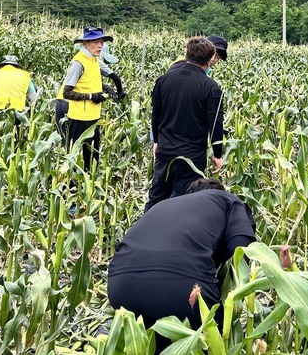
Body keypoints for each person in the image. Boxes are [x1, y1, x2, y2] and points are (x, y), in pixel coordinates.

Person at [108, 178, 256, 353]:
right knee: (216, 334)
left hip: (120, 286)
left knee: (156, 341)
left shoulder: (163, 205)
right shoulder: (228, 201)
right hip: (181, 290)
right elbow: (240, 252)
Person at [146, 37, 224, 209]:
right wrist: (217, 154)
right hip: (192, 156)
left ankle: (147, 230)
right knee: (186, 202)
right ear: (210, 59)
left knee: (156, 197)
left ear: (187, 54)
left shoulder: (164, 79)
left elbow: (156, 114)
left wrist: (157, 141)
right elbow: (215, 124)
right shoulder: (211, 87)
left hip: (165, 150)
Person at [57, 26, 125, 170]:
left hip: (92, 116)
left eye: (101, 42)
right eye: (95, 42)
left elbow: (92, 82)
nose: (100, 45)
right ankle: (70, 186)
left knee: (92, 154)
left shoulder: (93, 60)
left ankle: (88, 182)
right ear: (85, 44)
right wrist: (91, 96)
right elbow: (67, 93)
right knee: (75, 155)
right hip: (79, 117)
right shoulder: (78, 63)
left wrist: (111, 88)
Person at [0, 54, 38, 130]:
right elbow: (33, 99)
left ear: (1, 66)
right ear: (17, 67)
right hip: (18, 115)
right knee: (16, 140)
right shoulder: (25, 76)